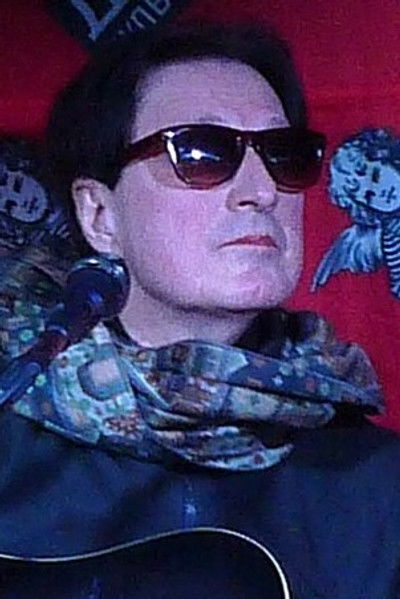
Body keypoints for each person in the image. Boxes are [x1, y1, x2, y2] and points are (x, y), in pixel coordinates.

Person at [0, 23, 399, 599]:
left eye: (283, 155)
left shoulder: (375, 481)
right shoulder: (12, 435)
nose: (262, 190)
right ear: (99, 215)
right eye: (201, 152)